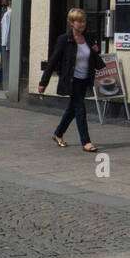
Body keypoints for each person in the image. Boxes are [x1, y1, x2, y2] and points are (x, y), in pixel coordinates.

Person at [38, 8, 102, 151]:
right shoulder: (64, 40)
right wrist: (43, 83)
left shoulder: (89, 38)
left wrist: (97, 51)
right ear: (71, 23)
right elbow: (52, 62)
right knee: (80, 108)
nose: (82, 24)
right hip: (71, 80)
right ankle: (86, 142)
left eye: (83, 21)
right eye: (78, 21)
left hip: (85, 79)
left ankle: (58, 133)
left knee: (73, 109)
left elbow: (93, 58)